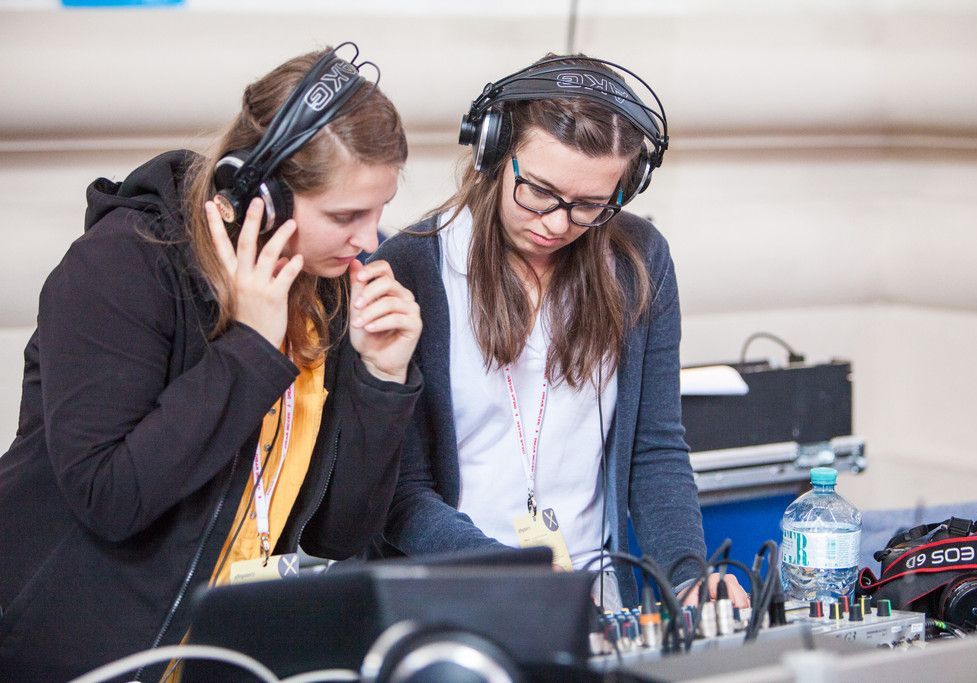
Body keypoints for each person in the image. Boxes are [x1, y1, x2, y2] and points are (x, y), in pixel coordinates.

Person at [0, 45, 422, 680]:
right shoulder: (121, 267)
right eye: (346, 216)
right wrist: (250, 347)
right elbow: (109, 497)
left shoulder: (322, 292)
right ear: (261, 197)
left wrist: (382, 379)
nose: (368, 240)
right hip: (76, 657)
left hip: (223, 658)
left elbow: (337, 534)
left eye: (379, 211)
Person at [373, 54, 747, 610]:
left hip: (592, 599)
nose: (556, 223)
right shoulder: (413, 267)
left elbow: (655, 452)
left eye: (589, 205)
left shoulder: (640, 261)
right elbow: (402, 493)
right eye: (540, 192)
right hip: (457, 598)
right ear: (493, 150)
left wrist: (687, 579)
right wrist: (514, 571)